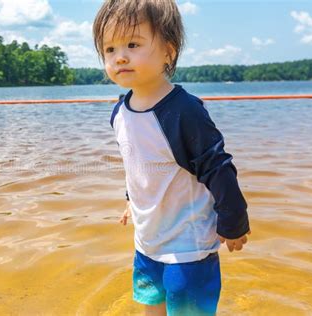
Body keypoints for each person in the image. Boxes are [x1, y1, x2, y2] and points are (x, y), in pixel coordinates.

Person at [92, 1, 251, 315]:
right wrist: (130, 200)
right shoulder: (120, 113)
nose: (119, 56)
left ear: (169, 51)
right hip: (147, 242)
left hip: (188, 247)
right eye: (109, 49)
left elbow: (217, 168)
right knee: (151, 306)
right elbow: (138, 165)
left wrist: (233, 222)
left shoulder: (184, 111)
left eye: (133, 44)